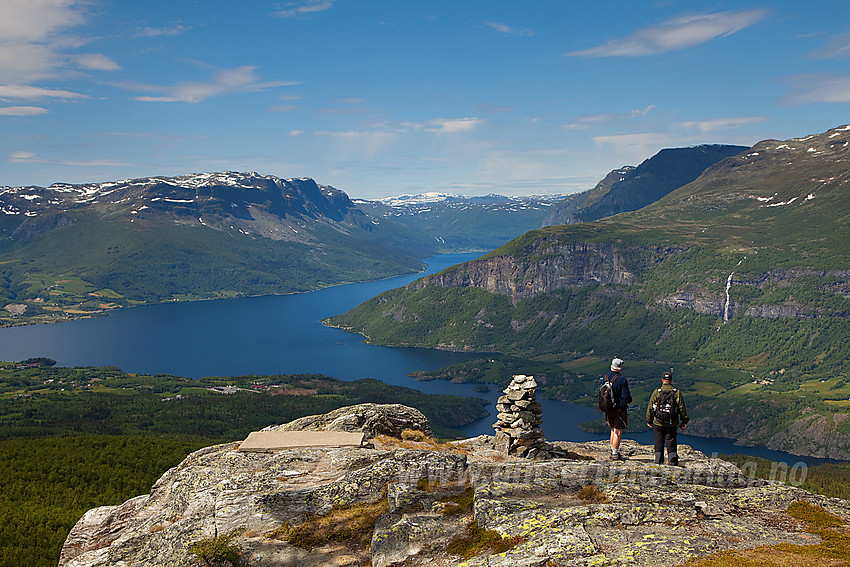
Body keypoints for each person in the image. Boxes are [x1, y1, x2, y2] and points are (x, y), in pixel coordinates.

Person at [646, 371, 689, 466]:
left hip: (658, 422)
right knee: (671, 441)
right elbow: (682, 408)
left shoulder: (657, 392)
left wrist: (649, 420)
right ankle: (673, 462)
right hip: (671, 423)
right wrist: (684, 421)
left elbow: (650, 407)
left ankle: (658, 461)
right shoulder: (676, 393)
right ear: (671, 380)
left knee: (659, 441)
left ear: (662, 380)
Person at [603, 357, 632, 460]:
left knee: (612, 429)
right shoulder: (622, 380)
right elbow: (625, 397)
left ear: (611, 366)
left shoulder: (605, 377)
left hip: (608, 408)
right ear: (620, 368)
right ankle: (615, 454)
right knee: (618, 431)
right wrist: (629, 400)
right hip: (619, 408)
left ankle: (613, 450)